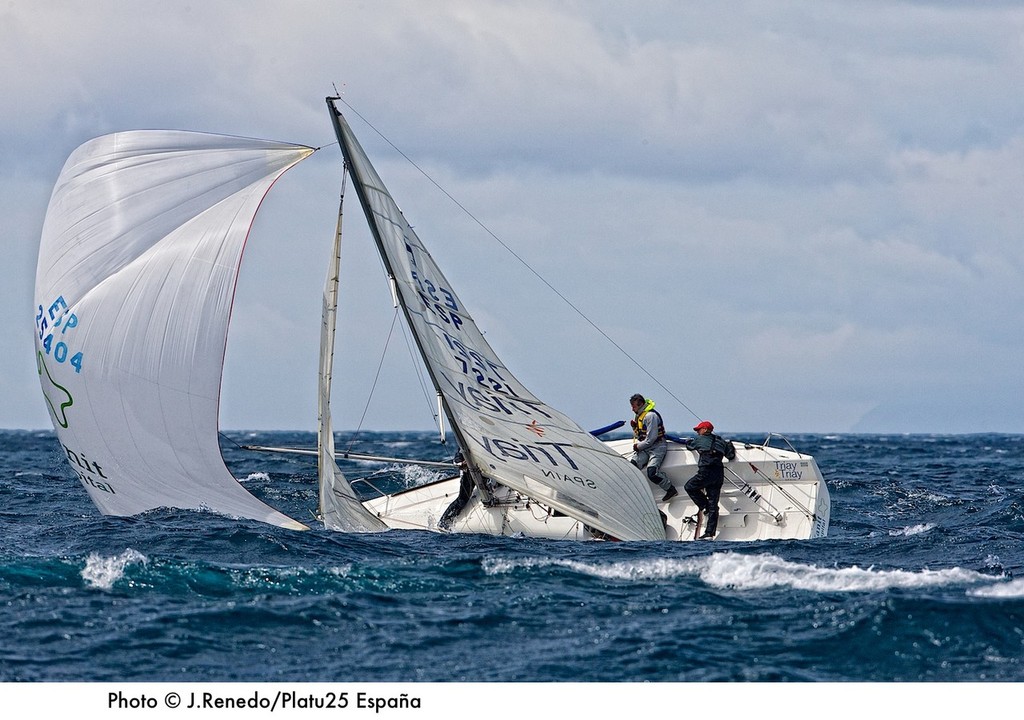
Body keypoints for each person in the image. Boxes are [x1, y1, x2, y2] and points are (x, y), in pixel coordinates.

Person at [682, 420, 736, 539]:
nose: (698, 433)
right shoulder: (721, 441)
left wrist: (689, 441)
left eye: (699, 430)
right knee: (713, 504)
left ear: (705, 430)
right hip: (718, 474)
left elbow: (689, 446)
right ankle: (709, 534)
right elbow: (730, 455)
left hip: (706, 472)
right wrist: (730, 445)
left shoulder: (700, 439)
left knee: (689, 487)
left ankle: (704, 506)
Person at [628, 393, 677, 503]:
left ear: (640, 405)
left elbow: (651, 439)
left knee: (652, 472)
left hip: (657, 446)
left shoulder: (651, 416)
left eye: (633, 406)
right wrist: (634, 428)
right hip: (645, 447)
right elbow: (640, 435)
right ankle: (635, 494)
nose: (632, 409)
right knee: (632, 467)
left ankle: (670, 489)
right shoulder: (639, 415)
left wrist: (638, 447)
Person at [438, 452, 474, 531]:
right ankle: (443, 521)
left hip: (485, 470)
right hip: (469, 473)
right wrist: (461, 463)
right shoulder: (463, 449)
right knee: (462, 500)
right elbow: (457, 459)